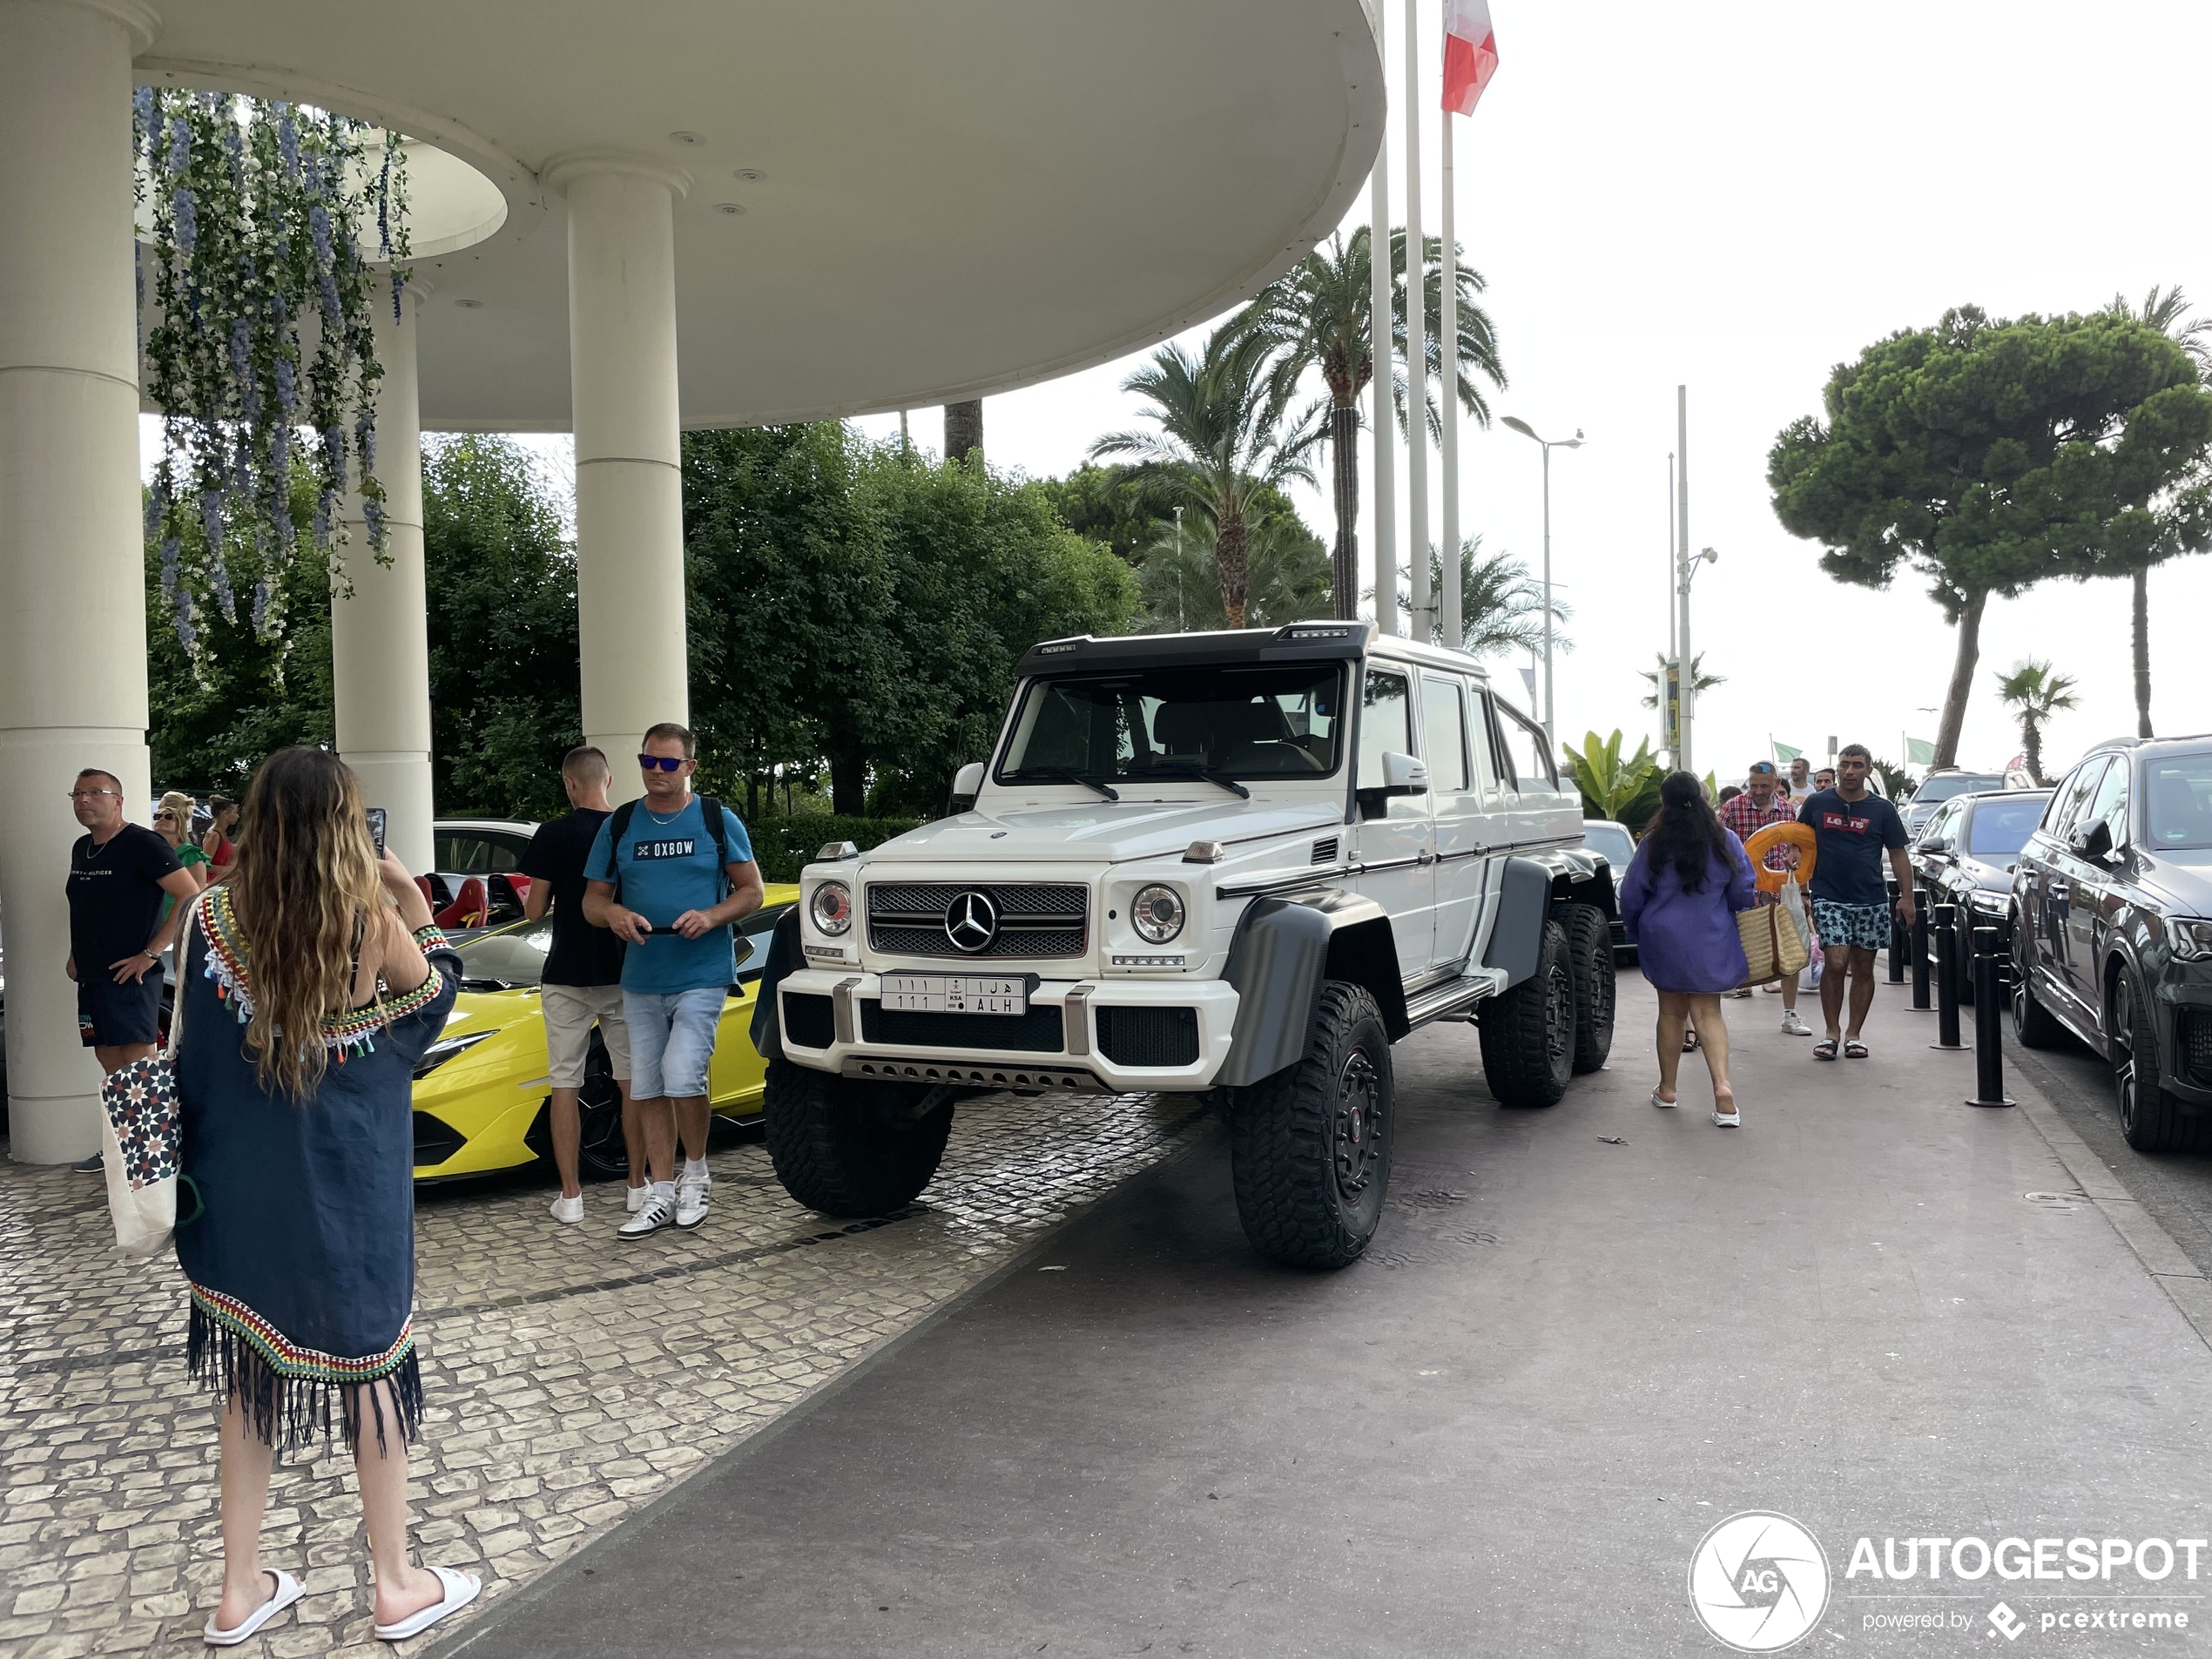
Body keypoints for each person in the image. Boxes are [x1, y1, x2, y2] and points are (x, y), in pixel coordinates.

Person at [173, 746, 478, 1643]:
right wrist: (416, 905)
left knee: (248, 1375)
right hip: (350, 1190)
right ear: (348, 824)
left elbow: (190, 1053)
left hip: (238, 1191)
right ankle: (394, 1581)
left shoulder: (210, 919)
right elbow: (423, 1017)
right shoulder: (370, 926)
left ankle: (239, 1589)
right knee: (373, 1369)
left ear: (255, 821)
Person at [583, 723, 765, 1238]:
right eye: (648, 761)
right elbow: (592, 901)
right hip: (641, 976)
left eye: (667, 763)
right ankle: (660, 1191)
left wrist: (710, 916)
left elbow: (750, 891)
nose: (656, 772)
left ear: (690, 767)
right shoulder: (620, 824)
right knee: (647, 1085)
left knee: (683, 1073)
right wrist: (614, 913)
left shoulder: (715, 818)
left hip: (702, 972)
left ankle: (697, 1174)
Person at [519, 746, 637, 1224]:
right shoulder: (629, 828)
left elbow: (533, 911)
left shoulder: (553, 834)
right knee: (632, 1083)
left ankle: (570, 1198)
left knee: (565, 1083)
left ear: (569, 783)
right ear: (608, 780)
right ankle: (637, 1186)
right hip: (623, 970)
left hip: (565, 972)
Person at [64, 769, 200, 1171]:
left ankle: (159, 1157)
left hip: (132, 977)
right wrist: (76, 955)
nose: (84, 800)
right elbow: (86, 907)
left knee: (140, 1065)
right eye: (77, 794)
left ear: (118, 800)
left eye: (94, 793)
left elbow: (189, 894)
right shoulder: (81, 848)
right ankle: (127, 1150)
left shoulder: (143, 843)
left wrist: (152, 952)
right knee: (108, 1058)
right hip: (92, 977)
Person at [1618, 771, 1760, 1126]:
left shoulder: (1654, 842)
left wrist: (1635, 930)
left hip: (1662, 937)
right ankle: (1723, 1088)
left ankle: (1667, 1090)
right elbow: (1744, 889)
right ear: (1701, 799)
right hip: (1710, 935)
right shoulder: (1724, 839)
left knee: (1670, 1012)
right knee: (1708, 1013)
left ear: (1664, 802)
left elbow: (1632, 893)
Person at [1798, 744, 1915, 1060]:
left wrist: (1907, 898)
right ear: (1837, 767)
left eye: (1857, 765)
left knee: (1863, 968)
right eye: (1845, 764)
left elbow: (1898, 853)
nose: (1849, 771)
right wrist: (1801, 888)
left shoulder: (1882, 810)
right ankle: (1831, 1032)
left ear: (1867, 770)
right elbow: (1798, 841)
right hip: (1829, 895)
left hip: (1871, 898)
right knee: (1836, 963)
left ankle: (1854, 1034)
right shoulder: (1817, 803)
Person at [1720, 760, 1814, 1035]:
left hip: (1780, 890)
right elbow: (1716, 846)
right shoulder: (1732, 808)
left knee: (1790, 949)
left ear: (1776, 784)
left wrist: (1804, 892)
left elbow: (1802, 852)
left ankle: (1790, 1014)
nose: (1758, 790)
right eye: (1753, 785)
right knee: (1735, 948)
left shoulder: (1788, 810)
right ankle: (1714, 1018)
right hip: (1742, 893)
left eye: (1764, 785)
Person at [154, 791, 211, 904]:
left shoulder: (191, 855)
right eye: (157, 815)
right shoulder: (150, 850)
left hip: (176, 916)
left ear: (180, 819)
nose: (161, 819)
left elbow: (195, 899)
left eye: (169, 816)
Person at [201, 794, 240, 875]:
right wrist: (231, 870)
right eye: (235, 813)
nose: (238, 816)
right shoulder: (214, 835)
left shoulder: (222, 833)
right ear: (225, 814)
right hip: (213, 884)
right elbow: (205, 865)